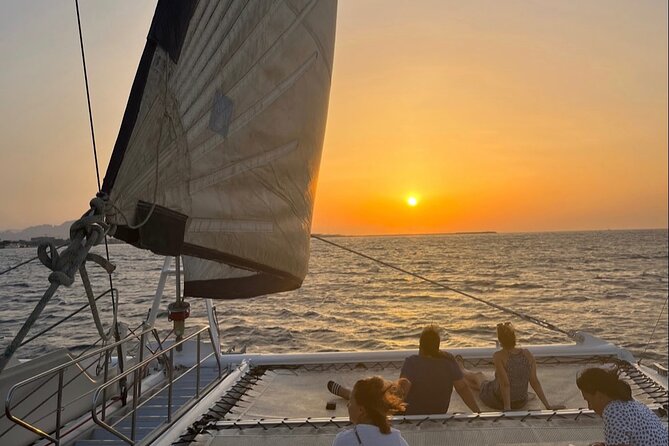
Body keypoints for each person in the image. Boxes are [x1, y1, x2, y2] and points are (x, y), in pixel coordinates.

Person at [327, 325, 480, 415]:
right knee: (383, 388)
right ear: (437, 346)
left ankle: (349, 393)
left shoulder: (412, 362)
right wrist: (478, 413)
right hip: (438, 412)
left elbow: (401, 393)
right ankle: (352, 393)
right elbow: (463, 389)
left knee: (373, 394)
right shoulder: (448, 360)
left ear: (420, 345)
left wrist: (384, 411)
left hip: (410, 414)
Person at [457, 322, 564, 411]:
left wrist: (507, 408)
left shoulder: (499, 356)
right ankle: (465, 378)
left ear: (500, 340)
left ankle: (461, 369)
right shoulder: (528, 354)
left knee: (479, 376)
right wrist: (548, 406)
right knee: (482, 386)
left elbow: (505, 384)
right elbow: (534, 381)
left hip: (499, 400)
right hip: (521, 401)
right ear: (514, 338)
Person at [576, 366, 668, 446]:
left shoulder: (612, 413)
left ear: (599, 395)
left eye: (589, 401)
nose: (590, 407)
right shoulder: (632, 404)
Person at [332, 376, 409, 446]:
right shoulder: (398, 441)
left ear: (361, 410)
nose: (348, 405)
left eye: (351, 402)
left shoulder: (343, 441)